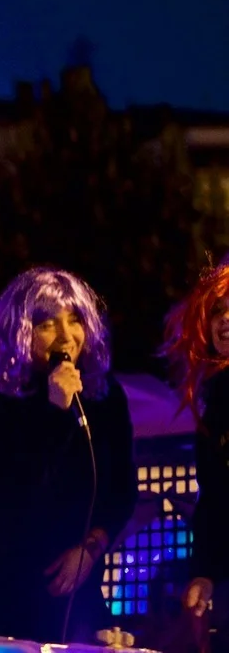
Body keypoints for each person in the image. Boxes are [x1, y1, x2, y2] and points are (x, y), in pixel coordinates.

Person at [0, 267, 138, 643]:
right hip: (3, 577)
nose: (66, 336)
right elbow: (13, 489)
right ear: (20, 332)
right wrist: (55, 410)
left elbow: (121, 489)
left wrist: (90, 549)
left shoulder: (104, 395)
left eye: (75, 320)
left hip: (75, 571)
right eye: (47, 325)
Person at [162, 261, 229, 651]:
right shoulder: (216, 400)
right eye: (218, 311)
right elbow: (215, 500)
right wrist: (204, 573)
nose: (225, 320)